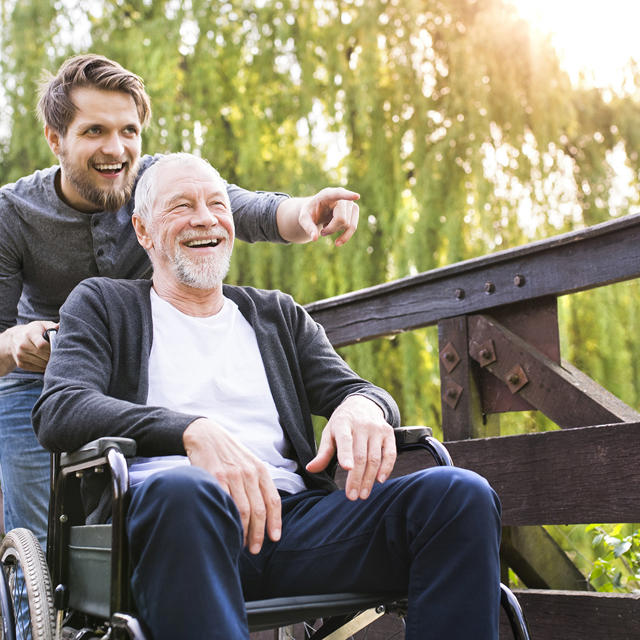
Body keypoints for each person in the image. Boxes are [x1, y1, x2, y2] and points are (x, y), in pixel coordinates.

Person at [33, 153, 501, 640]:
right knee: (187, 492)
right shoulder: (104, 304)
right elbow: (60, 408)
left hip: (290, 526)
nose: (205, 218)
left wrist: (364, 406)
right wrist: (191, 431)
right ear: (144, 231)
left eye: (218, 204)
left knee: (459, 495)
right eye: (181, 206)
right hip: (170, 523)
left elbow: (355, 388)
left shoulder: (277, 315)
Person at [0, 54, 360, 548]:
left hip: (129, 373)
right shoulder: (13, 213)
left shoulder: (159, 184)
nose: (116, 148)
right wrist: (15, 343)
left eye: (129, 131)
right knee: (42, 540)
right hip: (36, 384)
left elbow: (247, 209)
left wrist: (309, 212)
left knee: (154, 495)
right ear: (54, 138)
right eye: (94, 132)